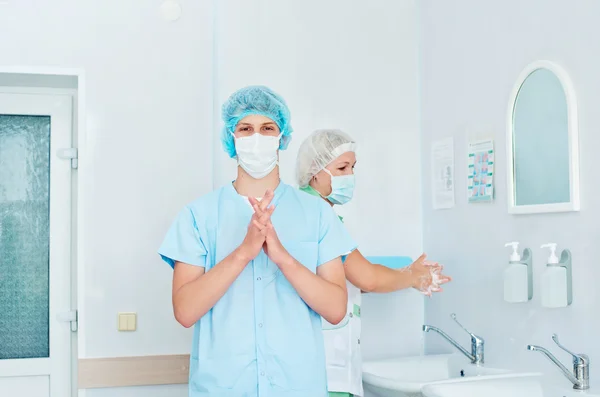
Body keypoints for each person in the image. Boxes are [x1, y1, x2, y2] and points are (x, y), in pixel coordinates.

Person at [158, 87, 357, 397]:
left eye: (267, 128)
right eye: (245, 129)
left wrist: (283, 258)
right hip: (223, 388)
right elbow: (185, 311)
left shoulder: (317, 214)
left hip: (298, 387)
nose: (257, 137)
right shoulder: (199, 216)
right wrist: (243, 253)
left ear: (282, 136)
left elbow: (335, 309)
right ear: (231, 137)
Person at [295, 129, 452, 397]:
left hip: (307, 366)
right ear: (315, 171)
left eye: (353, 167)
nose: (350, 176)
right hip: (323, 367)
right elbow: (366, 277)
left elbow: (341, 276)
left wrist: (403, 273)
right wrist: (414, 277)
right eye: (342, 167)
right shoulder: (319, 217)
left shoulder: (301, 210)